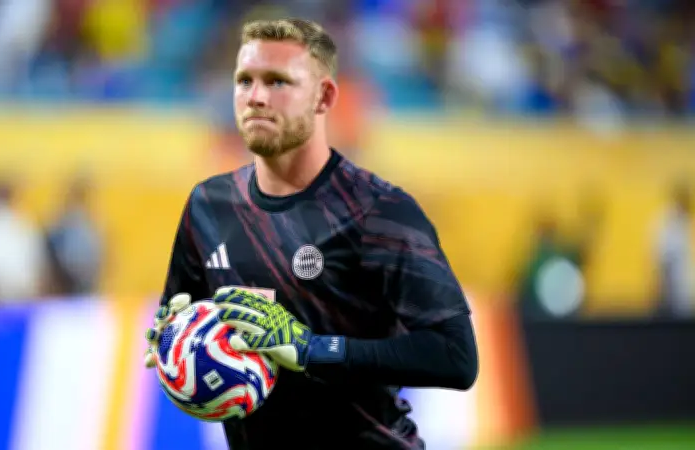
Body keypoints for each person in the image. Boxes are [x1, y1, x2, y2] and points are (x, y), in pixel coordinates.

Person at [145, 18, 478, 450]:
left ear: (324, 97)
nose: (256, 96)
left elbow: (455, 357)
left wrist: (311, 349)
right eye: (244, 80)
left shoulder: (380, 211)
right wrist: (171, 343)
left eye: (278, 81)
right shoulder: (207, 206)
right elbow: (180, 315)